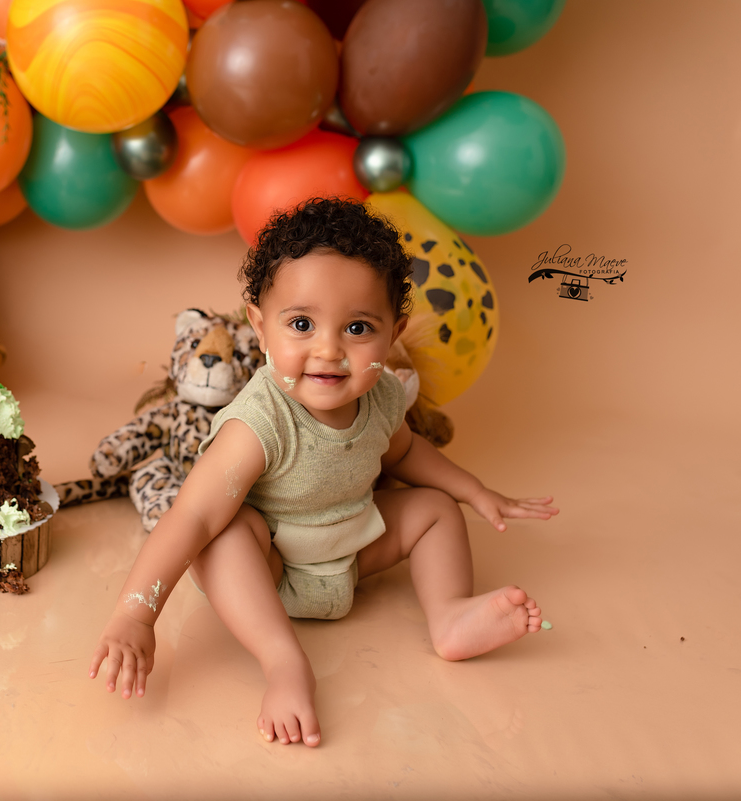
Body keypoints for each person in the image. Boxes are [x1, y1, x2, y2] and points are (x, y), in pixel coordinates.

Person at [88, 198, 559, 747]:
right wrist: (135, 616)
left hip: (354, 555)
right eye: (302, 324)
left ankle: (450, 616)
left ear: (393, 333)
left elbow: (406, 456)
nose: (329, 350)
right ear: (261, 329)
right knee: (222, 535)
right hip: (272, 570)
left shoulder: (381, 395)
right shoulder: (259, 422)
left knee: (434, 508)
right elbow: (190, 516)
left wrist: (475, 491)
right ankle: (284, 661)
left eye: (358, 327)